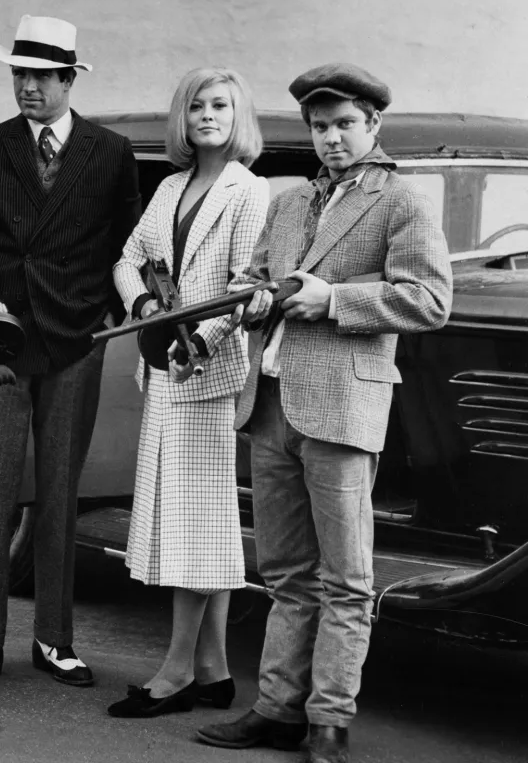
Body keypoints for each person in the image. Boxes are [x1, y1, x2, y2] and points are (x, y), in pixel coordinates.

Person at [196, 64, 452, 763]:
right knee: (285, 573)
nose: (332, 138)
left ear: (374, 125)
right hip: (272, 403)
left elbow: (429, 300)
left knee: (346, 579)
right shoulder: (287, 203)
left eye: (344, 124)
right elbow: (252, 280)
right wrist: (248, 298)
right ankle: (278, 710)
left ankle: (328, 724)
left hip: (341, 408)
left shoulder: (401, 201)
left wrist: (334, 300)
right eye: (319, 126)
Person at [0, 14, 141, 692]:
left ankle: (55, 640)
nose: (27, 86)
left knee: (59, 493)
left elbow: (128, 246)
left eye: (40, 76)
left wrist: (108, 312)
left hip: (75, 341)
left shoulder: (109, 153)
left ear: (67, 80)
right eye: (19, 74)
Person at [106, 67, 269, 719]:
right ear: (185, 117)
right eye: (197, 105)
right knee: (199, 521)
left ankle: (175, 671)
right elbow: (127, 258)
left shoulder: (248, 192)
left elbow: (243, 284)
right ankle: (214, 671)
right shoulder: (172, 186)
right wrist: (145, 302)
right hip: (164, 368)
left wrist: (196, 340)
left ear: (238, 115)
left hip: (207, 371)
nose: (207, 114)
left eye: (220, 104)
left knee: (197, 522)